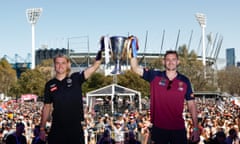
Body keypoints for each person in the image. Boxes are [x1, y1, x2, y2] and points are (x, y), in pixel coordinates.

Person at [129, 36, 200, 144]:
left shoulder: (185, 81)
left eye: (173, 60)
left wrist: (195, 128)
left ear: (178, 62)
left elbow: (192, 105)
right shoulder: (154, 76)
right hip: (159, 128)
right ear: (163, 62)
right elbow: (135, 68)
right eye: (168, 60)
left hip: (178, 128)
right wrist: (133, 47)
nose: (170, 62)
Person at [39, 46, 103, 144]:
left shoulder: (76, 78)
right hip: (57, 128)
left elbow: (94, 67)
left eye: (63, 63)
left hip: (75, 128)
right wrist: (42, 129)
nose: (60, 66)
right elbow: (47, 107)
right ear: (54, 65)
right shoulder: (49, 84)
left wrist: (101, 51)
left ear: (68, 64)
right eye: (57, 63)